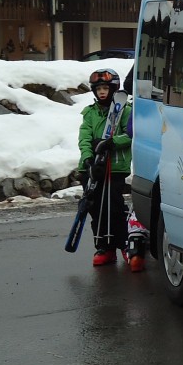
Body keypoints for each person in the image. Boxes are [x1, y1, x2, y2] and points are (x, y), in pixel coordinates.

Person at [77, 68, 142, 270]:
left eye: (105, 88)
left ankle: (124, 244)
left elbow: (131, 134)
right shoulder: (90, 113)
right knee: (96, 209)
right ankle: (104, 247)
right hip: (92, 168)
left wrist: (111, 143)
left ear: (113, 89)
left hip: (115, 167)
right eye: (98, 89)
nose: (102, 92)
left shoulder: (126, 111)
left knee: (114, 207)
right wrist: (88, 160)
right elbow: (84, 138)